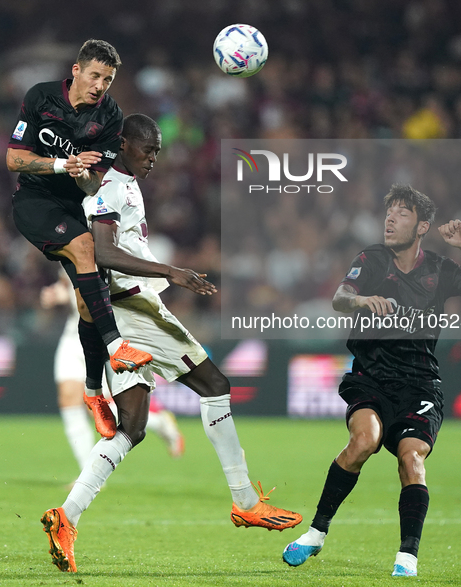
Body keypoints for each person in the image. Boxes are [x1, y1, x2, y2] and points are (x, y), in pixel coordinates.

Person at [40, 113, 302, 573]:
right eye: (148, 150)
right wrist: (170, 272)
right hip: (134, 308)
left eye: (158, 151)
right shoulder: (113, 188)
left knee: (133, 426)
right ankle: (244, 500)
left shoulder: (120, 182)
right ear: (125, 145)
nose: (154, 159)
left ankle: (67, 515)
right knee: (214, 383)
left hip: (116, 311)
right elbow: (101, 251)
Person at [282, 183, 461, 577]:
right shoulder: (371, 259)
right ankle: (316, 533)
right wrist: (361, 300)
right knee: (362, 441)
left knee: (411, 459)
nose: (391, 219)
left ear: (422, 226)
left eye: (402, 213)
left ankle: (407, 559)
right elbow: (339, 297)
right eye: (389, 212)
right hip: (371, 378)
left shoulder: (440, 269)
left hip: (420, 384)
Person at [6, 39, 152, 440]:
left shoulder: (110, 117)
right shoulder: (41, 97)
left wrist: (84, 174)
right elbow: (13, 158)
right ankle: (117, 345)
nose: (100, 85)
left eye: (107, 79)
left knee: (90, 298)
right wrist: (59, 164)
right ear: (76, 70)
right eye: (94, 75)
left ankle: (93, 394)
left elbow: (93, 184)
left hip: (72, 208)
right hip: (34, 200)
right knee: (87, 247)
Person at [40, 274, 185, 472]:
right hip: (75, 336)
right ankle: (87, 472)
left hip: (110, 337)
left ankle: (160, 423)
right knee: (69, 398)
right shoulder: (68, 246)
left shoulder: (111, 249)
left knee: (105, 408)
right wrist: (57, 292)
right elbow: (68, 282)